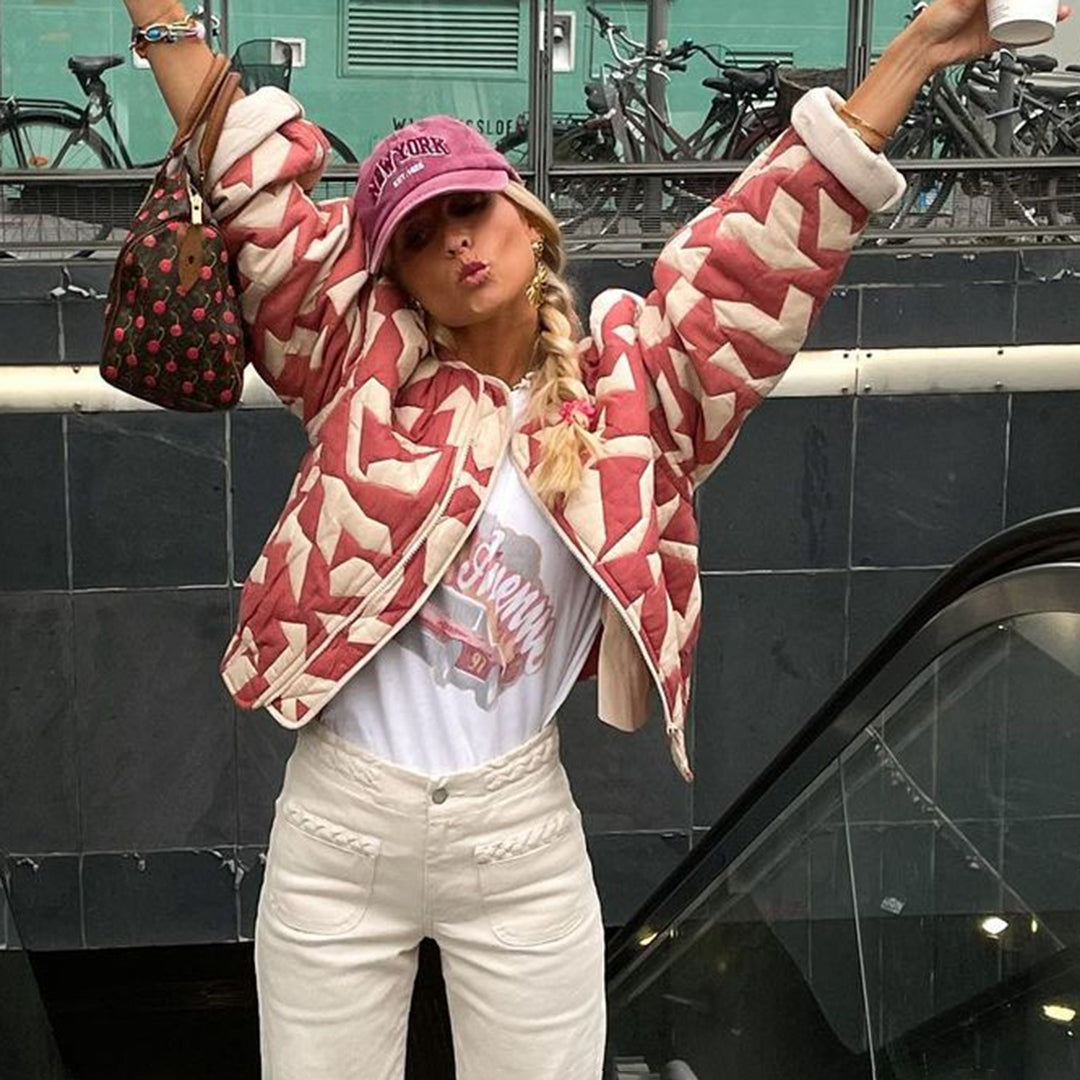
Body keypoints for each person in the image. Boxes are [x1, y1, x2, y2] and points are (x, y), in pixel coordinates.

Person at [120, 1, 1068, 1077]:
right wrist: (159, 18)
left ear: (527, 219)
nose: (454, 243)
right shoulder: (356, 370)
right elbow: (248, 179)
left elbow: (759, 252)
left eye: (469, 209)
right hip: (339, 835)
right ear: (396, 280)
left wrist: (918, 49)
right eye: (419, 238)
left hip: (517, 844)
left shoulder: (637, 392)